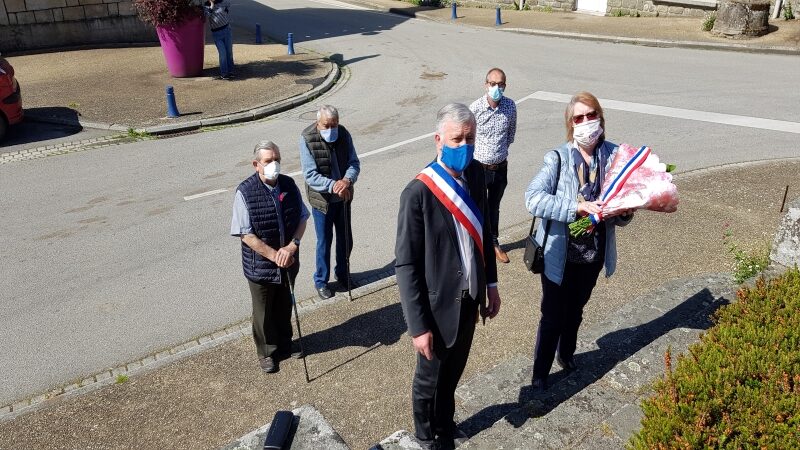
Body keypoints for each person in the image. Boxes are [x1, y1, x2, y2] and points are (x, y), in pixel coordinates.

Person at [396, 103, 501, 450]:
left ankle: (445, 424)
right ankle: (425, 436)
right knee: (428, 382)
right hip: (437, 307)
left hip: (469, 298)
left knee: (453, 374)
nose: (465, 146)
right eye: (457, 139)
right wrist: (418, 327)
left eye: (470, 138)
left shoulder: (474, 175)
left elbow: (483, 233)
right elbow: (406, 265)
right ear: (438, 140)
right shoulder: (418, 193)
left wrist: (491, 285)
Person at [524, 92, 633, 391]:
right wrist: (576, 206)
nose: (586, 122)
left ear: (600, 117)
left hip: (593, 256)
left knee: (576, 310)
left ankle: (567, 354)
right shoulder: (557, 158)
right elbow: (532, 199)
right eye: (579, 118)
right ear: (571, 125)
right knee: (552, 316)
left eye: (591, 115)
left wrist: (625, 212)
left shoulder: (614, 157)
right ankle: (540, 373)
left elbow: (619, 214)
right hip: (559, 255)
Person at [231, 141, 309, 373]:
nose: (274, 164)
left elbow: (302, 217)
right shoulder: (245, 192)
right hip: (261, 266)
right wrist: (275, 255)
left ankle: (286, 343)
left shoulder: (288, 184)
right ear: (257, 165)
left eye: (277, 159)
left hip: (288, 260)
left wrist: (292, 247)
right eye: (268, 161)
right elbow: (245, 234)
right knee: (263, 312)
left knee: (285, 305)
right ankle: (267, 351)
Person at [299, 105, 361, 300]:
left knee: (345, 239)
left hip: (343, 198)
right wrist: (334, 185)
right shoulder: (307, 138)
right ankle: (321, 281)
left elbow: (354, 163)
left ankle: (343, 274)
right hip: (322, 201)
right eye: (327, 125)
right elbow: (310, 175)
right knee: (324, 242)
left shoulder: (343, 134)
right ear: (318, 122)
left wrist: (347, 181)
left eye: (335, 124)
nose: (331, 128)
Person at [469, 68, 517, 264]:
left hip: (500, 167)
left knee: (494, 207)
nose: (497, 88)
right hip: (479, 168)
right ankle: (475, 244)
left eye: (501, 84)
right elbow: (468, 138)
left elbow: (511, 134)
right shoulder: (475, 108)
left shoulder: (510, 106)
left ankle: (494, 243)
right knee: (476, 207)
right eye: (493, 84)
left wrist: (498, 154)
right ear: (486, 85)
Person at [204, 0, 235, 80]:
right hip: (216, 34)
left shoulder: (222, 2)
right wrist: (212, 5)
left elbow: (228, 5)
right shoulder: (206, 6)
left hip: (227, 30)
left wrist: (226, 9)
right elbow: (207, 16)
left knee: (229, 52)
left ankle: (231, 71)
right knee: (223, 53)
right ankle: (224, 73)